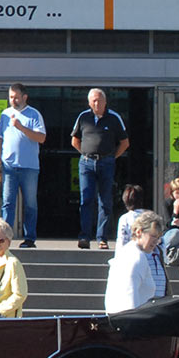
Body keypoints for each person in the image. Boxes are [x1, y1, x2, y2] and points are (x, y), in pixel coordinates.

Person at [71, 87, 129, 250]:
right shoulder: (83, 117)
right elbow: (74, 140)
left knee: (105, 201)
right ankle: (84, 237)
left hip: (106, 163)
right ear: (89, 102)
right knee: (86, 200)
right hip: (86, 163)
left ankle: (102, 238)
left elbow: (125, 143)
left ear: (105, 102)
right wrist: (86, 154)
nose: (96, 103)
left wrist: (111, 157)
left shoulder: (114, 118)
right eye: (93, 100)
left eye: (99, 100)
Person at [0, 83, 46, 247]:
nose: (13, 100)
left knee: (30, 204)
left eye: (16, 97)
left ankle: (29, 238)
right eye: (11, 97)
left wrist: (21, 127)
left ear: (24, 97)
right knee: (8, 203)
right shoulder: (5, 114)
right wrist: (0, 158)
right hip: (9, 166)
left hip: (29, 167)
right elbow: (0, 138)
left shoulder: (34, 114)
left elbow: (41, 138)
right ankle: (5, 238)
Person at [105, 211, 163, 314]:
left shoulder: (126, 252)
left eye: (158, 238)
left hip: (117, 317)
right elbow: (130, 296)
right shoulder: (137, 257)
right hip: (130, 320)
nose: (156, 241)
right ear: (139, 232)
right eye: (153, 236)